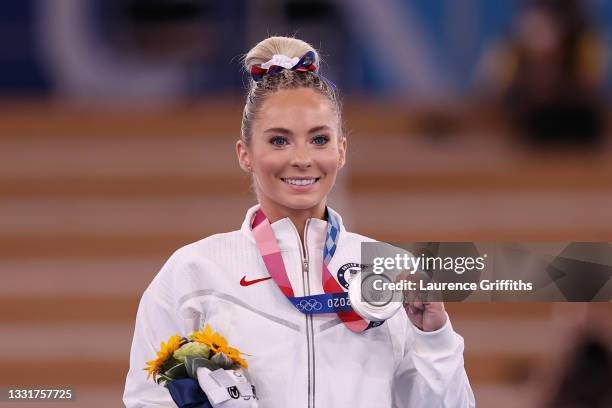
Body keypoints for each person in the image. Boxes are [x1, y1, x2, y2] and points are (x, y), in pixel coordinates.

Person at [124, 36, 475, 407]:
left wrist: (435, 338)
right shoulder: (194, 273)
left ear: (341, 151)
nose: (302, 158)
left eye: (319, 139)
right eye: (279, 141)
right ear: (245, 153)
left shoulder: (390, 272)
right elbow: (147, 401)